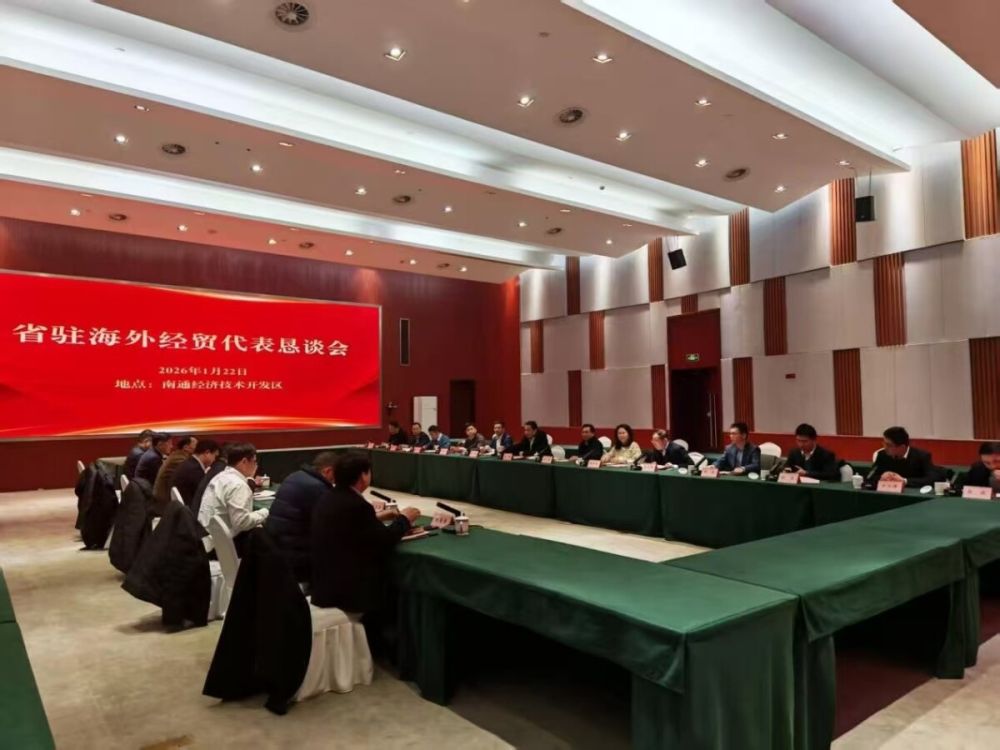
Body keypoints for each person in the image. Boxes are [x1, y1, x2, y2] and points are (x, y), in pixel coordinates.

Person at [310, 451, 420, 614]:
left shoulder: (328, 497)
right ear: (363, 476)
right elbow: (383, 541)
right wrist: (404, 519)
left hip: (325, 583)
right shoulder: (357, 505)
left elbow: (352, 526)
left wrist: (379, 517)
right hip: (350, 591)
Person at [264, 452, 339, 583]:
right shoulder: (317, 488)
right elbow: (331, 524)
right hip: (296, 554)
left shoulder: (295, 475)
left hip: (276, 546)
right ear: (328, 471)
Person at [197, 442, 269, 556]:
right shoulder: (238, 485)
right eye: (254, 462)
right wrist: (264, 512)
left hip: (205, 539)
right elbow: (242, 523)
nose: (256, 466)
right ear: (244, 462)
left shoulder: (220, 476)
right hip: (220, 547)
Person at [868, 426, 936, 488]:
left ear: (902, 447)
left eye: (888, 445)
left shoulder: (921, 456)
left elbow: (931, 479)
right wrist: (881, 477)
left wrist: (904, 481)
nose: (885, 447)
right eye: (884, 443)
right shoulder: (882, 455)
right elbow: (870, 478)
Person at [171, 439, 221, 509]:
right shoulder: (194, 469)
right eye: (214, 456)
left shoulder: (189, 463)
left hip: (182, 507)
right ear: (207, 453)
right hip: (190, 509)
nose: (214, 460)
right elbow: (204, 493)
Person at [153, 435, 198, 504]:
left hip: (164, 493)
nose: (198, 448)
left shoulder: (178, 455)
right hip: (163, 498)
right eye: (196, 445)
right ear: (186, 447)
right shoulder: (179, 459)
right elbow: (190, 476)